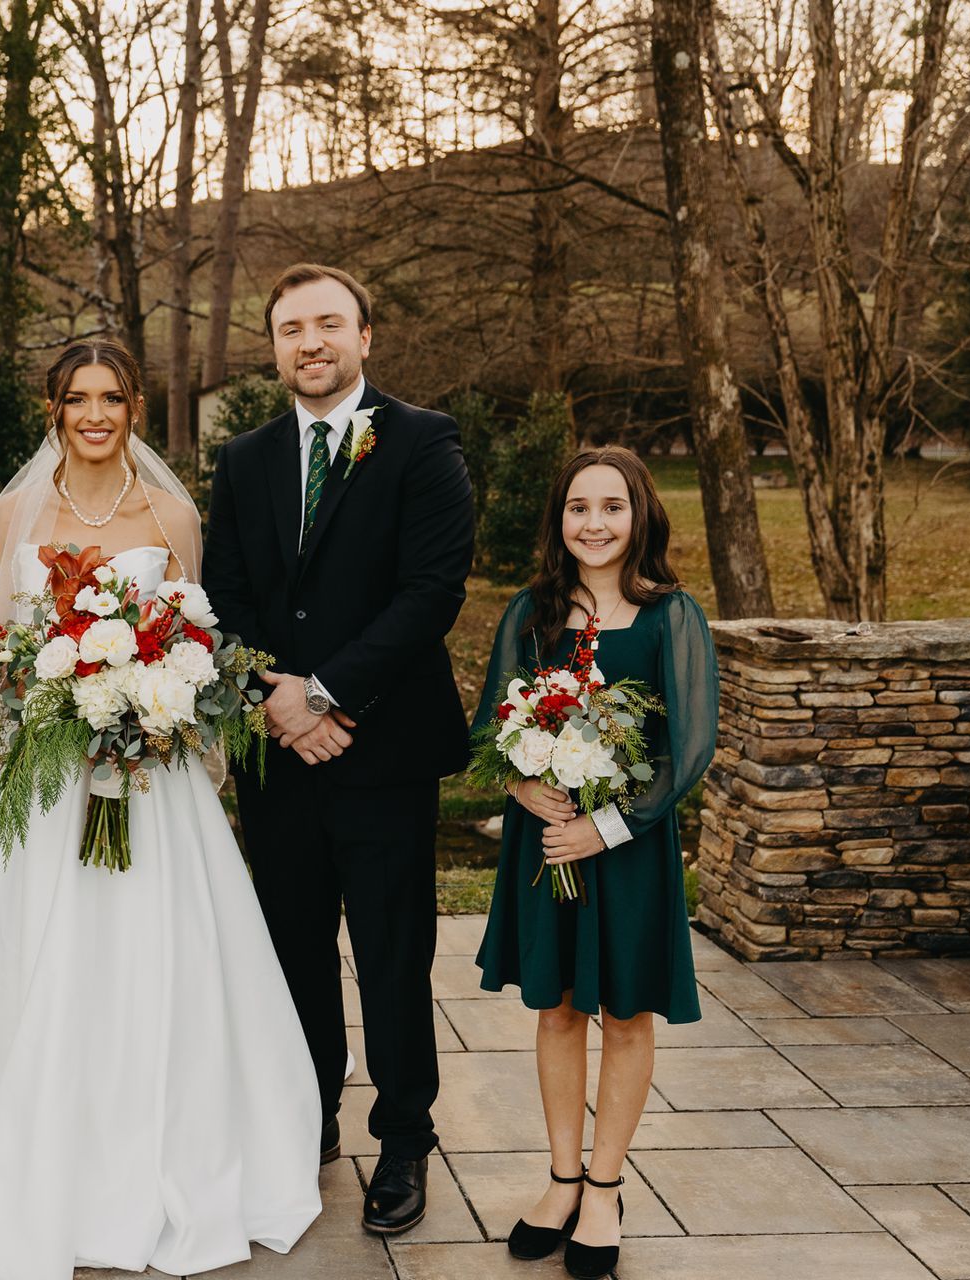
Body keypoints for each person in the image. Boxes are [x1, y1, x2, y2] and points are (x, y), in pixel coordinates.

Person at [0, 337, 322, 1280]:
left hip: (152, 773)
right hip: (48, 774)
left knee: (163, 946)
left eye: (112, 397)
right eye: (77, 399)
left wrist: (156, 701)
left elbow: (201, 635)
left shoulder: (171, 511)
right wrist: (46, 696)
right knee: (32, 944)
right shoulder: (19, 509)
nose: (95, 414)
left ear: (134, 406)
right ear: (53, 409)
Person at [202, 262, 475, 1236]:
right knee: (294, 952)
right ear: (273, 346)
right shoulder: (243, 460)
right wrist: (272, 698)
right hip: (277, 753)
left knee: (393, 953)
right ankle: (306, 1111)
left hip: (384, 748)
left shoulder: (421, 441)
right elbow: (222, 597)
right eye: (289, 328)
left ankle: (404, 1137)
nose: (309, 342)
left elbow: (432, 589)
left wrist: (324, 691)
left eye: (328, 324)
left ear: (367, 336)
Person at [474, 445, 717, 1280]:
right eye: (579, 507)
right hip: (547, 849)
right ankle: (561, 1179)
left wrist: (609, 827)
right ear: (561, 520)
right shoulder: (530, 614)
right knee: (558, 1011)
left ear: (640, 514)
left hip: (628, 852)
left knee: (626, 1014)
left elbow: (688, 746)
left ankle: (606, 1189)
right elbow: (491, 723)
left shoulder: (670, 615)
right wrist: (520, 783)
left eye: (612, 507)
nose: (595, 523)